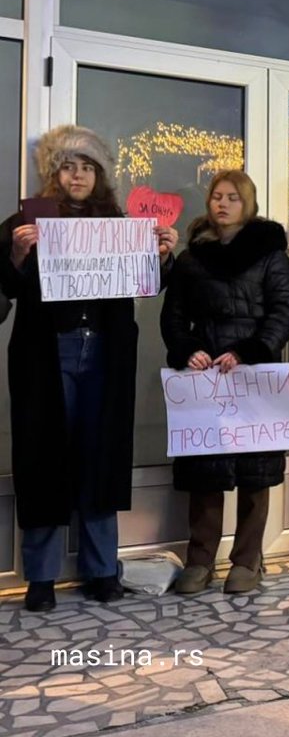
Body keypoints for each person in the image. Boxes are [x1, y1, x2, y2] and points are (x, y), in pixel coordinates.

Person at [0, 125, 177, 612]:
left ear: (100, 175)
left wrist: (162, 256)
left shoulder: (119, 222)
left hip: (104, 353)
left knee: (101, 457)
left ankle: (102, 571)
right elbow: (4, 293)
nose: (77, 174)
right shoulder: (26, 221)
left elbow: (147, 284)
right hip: (46, 354)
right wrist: (17, 255)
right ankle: (40, 577)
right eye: (68, 165)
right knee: (43, 457)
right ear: (53, 172)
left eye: (87, 166)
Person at [161, 170, 289, 595]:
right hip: (205, 376)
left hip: (252, 374)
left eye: (232, 198)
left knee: (255, 474)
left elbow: (283, 312)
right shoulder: (191, 257)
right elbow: (173, 316)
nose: (222, 204)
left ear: (248, 204)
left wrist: (249, 350)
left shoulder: (271, 252)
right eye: (217, 196)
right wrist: (188, 349)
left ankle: (247, 560)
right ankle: (200, 560)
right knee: (206, 473)